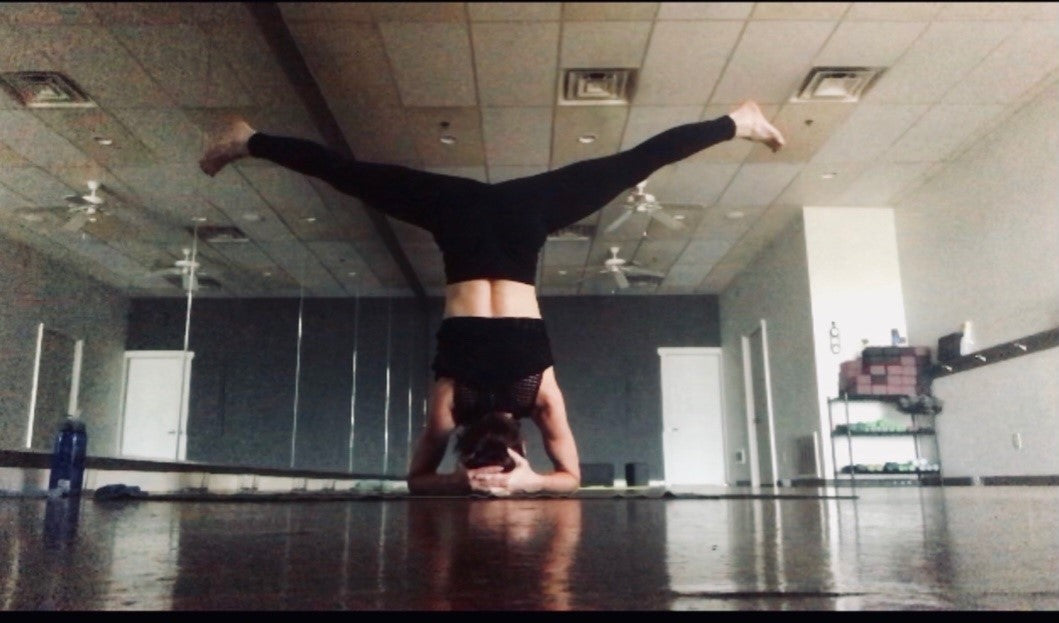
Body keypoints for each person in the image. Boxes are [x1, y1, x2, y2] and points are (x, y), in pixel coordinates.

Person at [199, 100, 785, 496]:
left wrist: (520, 483)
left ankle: (738, 119)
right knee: (350, 175)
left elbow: (556, 477)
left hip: (499, 219)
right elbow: (435, 480)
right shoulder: (455, 406)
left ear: (515, 441)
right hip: (482, 220)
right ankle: (249, 139)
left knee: (631, 165)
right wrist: (499, 483)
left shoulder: (528, 401)